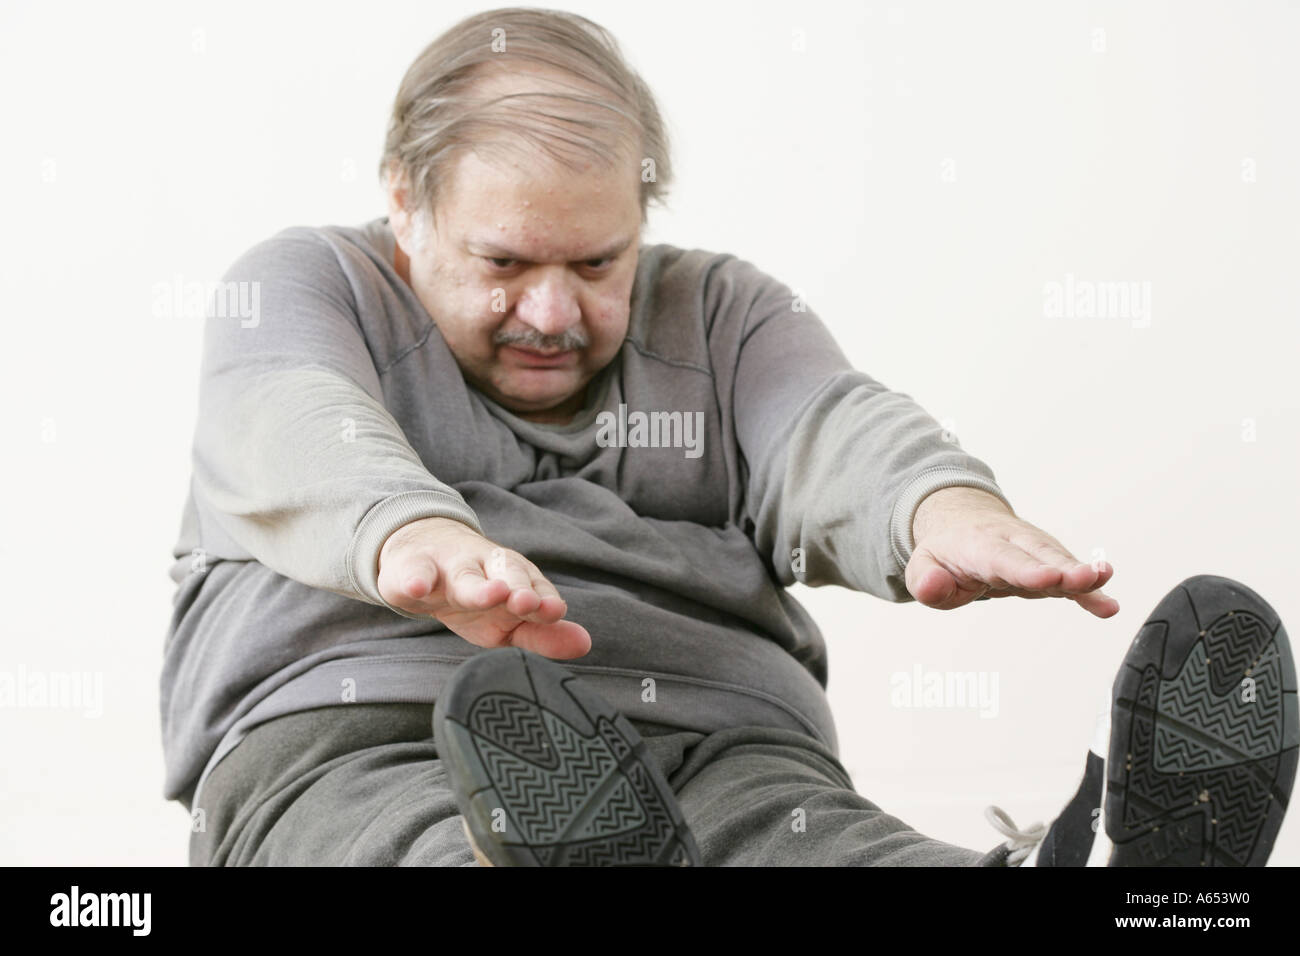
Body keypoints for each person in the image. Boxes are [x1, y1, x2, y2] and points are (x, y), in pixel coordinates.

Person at [168, 7, 1295, 867]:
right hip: (362, 725)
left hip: (719, 731)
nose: (555, 312)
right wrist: (405, 531)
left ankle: (1123, 879)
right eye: (506, 263)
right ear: (404, 205)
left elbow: (827, 427)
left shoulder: (719, 310)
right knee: (414, 843)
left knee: (813, 844)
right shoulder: (310, 283)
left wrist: (938, 509)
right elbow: (287, 414)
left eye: (598, 262)